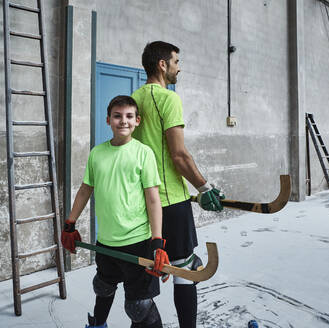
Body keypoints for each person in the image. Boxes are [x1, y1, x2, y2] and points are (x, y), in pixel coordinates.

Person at [131, 41, 225, 328]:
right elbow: (179, 155)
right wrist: (204, 187)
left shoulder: (133, 99)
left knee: (148, 271)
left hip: (142, 203)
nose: (178, 67)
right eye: (175, 61)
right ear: (162, 64)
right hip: (171, 201)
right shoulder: (168, 98)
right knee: (184, 273)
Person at [61, 95, 169, 328]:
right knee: (103, 286)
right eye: (117, 116)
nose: (123, 121)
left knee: (138, 306)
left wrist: (157, 241)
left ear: (137, 121)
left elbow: (153, 199)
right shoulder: (97, 153)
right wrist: (70, 224)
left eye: (129, 116)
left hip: (137, 243)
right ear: (108, 120)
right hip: (106, 242)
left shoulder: (143, 153)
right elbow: (84, 190)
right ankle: (98, 325)